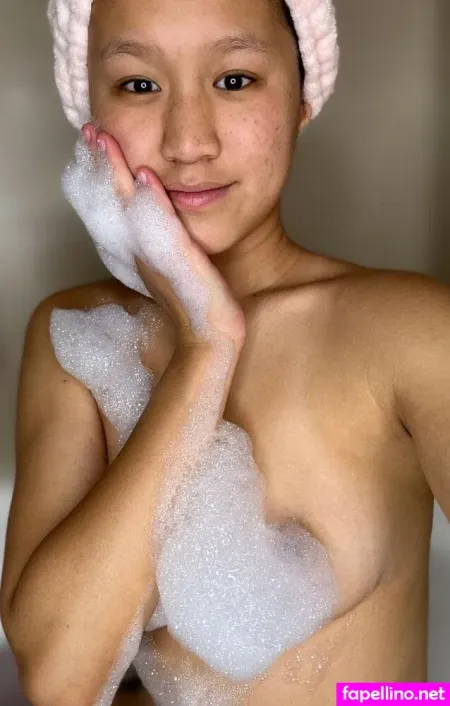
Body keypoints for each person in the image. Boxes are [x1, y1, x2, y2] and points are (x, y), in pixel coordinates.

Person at [1, 0, 449, 704]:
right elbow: (59, 681)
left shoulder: (409, 331)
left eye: (235, 79)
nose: (188, 141)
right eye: (139, 84)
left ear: (302, 97)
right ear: (92, 112)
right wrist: (204, 348)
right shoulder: (77, 335)